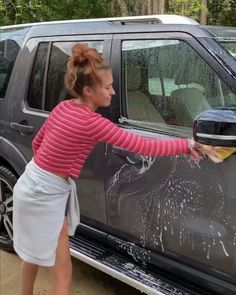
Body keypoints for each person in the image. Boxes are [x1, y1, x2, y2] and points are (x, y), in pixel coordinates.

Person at [12, 43, 217, 295]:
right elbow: (143, 146)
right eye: (107, 87)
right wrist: (187, 144)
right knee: (63, 274)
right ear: (89, 90)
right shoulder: (93, 122)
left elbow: (37, 143)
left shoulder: (63, 108)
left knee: (32, 255)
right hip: (45, 195)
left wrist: (57, 166)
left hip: (30, 184)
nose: (113, 91)